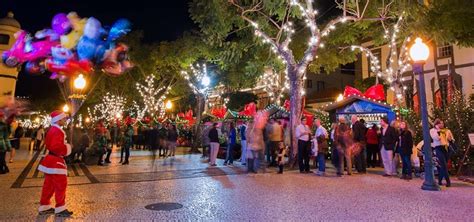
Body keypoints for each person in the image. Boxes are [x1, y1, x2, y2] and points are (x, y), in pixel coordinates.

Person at [38, 111, 73, 217]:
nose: (65, 120)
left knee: (48, 185)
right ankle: (60, 208)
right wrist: (67, 148)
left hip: (50, 160)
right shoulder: (57, 131)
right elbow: (56, 147)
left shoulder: (52, 129)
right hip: (56, 160)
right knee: (60, 185)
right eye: (63, 119)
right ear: (58, 120)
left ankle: (44, 206)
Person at [430, 119, 454, 187]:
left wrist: (450, 138)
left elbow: (451, 139)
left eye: (442, 123)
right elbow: (436, 138)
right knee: (444, 165)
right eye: (440, 123)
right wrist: (438, 131)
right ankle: (448, 181)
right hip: (438, 148)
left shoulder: (447, 130)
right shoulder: (432, 131)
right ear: (436, 124)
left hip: (446, 148)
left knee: (444, 165)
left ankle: (440, 180)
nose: (442, 125)